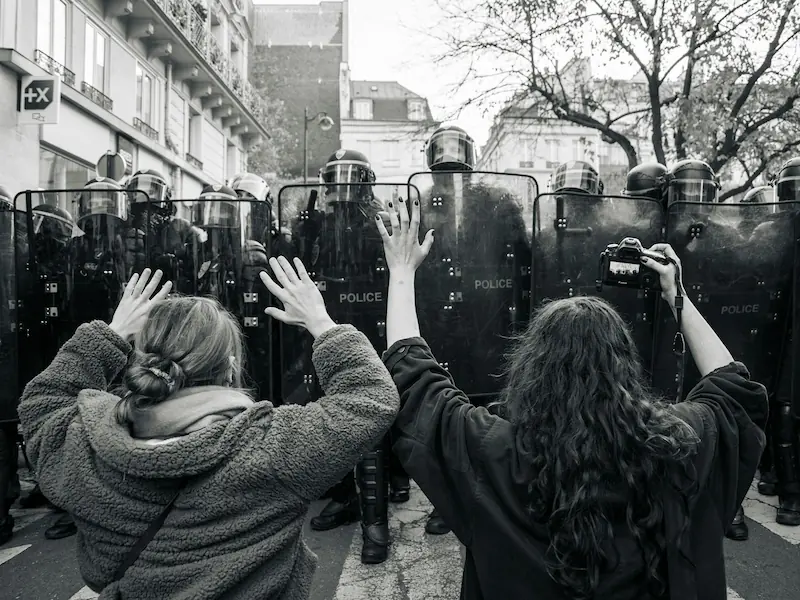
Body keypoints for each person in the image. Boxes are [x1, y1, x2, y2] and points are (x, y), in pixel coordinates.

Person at [375, 197, 768, 599]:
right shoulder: (678, 443)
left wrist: (402, 273)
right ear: (625, 365)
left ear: (532, 369)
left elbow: (417, 381)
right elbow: (732, 387)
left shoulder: (494, 452)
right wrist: (675, 294)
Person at [15, 262, 399, 597]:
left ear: (142, 358)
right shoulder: (270, 449)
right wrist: (320, 321)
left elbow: (41, 401)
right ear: (232, 368)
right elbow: (371, 398)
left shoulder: (84, 443)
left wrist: (109, 333)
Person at [308, 149, 410, 565]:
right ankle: (345, 492)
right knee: (333, 404)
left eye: (352, 178)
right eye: (338, 178)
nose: (344, 188)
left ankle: (392, 482)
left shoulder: (377, 223)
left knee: (379, 400)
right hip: (332, 319)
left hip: (373, 319)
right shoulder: (320, 223)